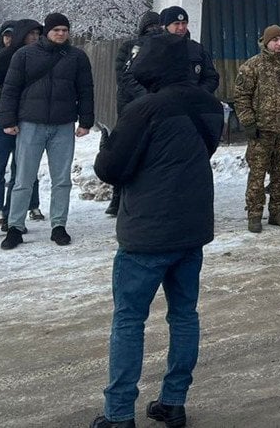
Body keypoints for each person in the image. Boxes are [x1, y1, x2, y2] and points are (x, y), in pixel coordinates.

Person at [92, 33, 225, 428]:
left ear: (149, 66)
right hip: (192, 227)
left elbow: (112, 170)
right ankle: (173, 402)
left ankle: (119, 414)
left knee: (129, 320)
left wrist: (105, 147)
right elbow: (199, 151)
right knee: (184, 316)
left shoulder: (143, 110)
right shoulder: (210, 105)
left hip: (147, 232)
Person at [0, 12, 95, 249]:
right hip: (31, 123)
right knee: (23, 178)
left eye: (64, 30)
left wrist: (86, 121)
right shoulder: (25, 55)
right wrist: (8, 120)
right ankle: (15, 227)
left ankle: (59, 225)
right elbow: (11, 88)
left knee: (62, 179)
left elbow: (85, 90)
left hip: (63, 125)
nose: (61, 34)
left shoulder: (77, 57)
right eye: (56, 30)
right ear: (47, 32)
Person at [0, 19, 45, 240]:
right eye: (31, 34)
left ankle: (13, 216)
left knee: (22, 173)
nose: (35, 38)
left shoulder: (38, 61)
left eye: (37, 34)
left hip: (28, 123)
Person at [236, 25, 280, 233]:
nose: (279, 44)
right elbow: (241, 97)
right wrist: (248, 123)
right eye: (275, 40)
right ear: (266, 42)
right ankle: (254, 214)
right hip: (261, 133)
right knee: (257, 175)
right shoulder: (252, 66)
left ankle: (277, 212)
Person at [106, 10, 163, 216]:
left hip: (138, 105)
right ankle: (119, 197)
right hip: (136, 105)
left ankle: (122, 197)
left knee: (129, 151)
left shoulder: (158, 46)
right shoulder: (132, 47)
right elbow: (125, 77)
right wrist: (148, 96)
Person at [158, 5, 220, 95]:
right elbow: (140, 78)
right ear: (167, 26)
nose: (181, 27)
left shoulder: (197, 49)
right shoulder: (155, 48)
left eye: (184, 23)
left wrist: (198, 93)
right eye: (176, 24)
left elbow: (211, 78)